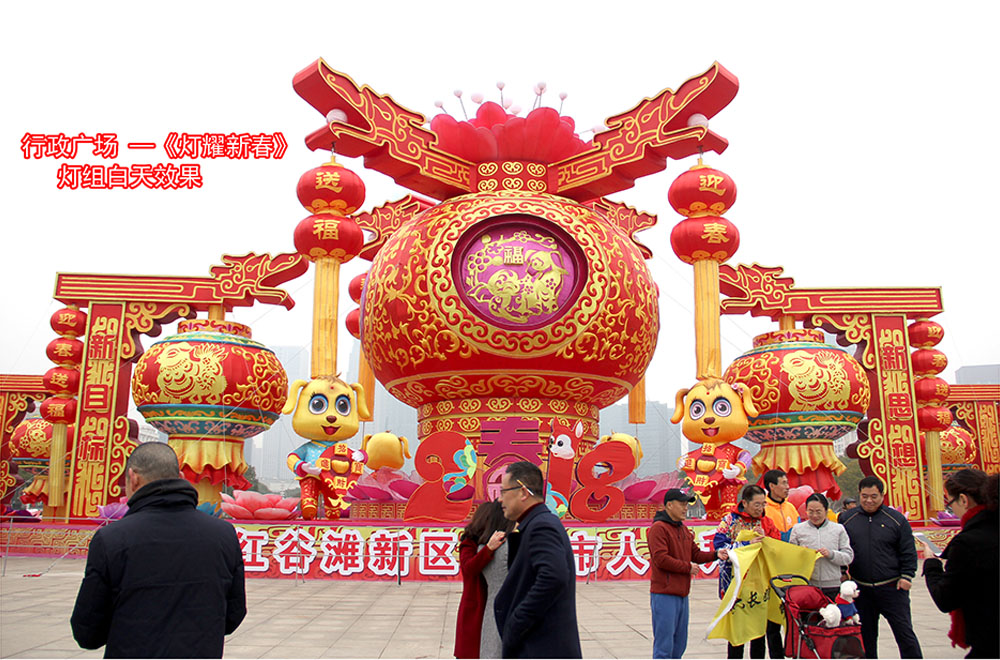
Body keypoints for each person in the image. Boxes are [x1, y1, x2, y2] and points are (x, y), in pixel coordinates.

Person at [71, 442, 246, 658]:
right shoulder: (223, 534)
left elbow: (87, 631)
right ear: (181, 476)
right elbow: (234, 614)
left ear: (133, 477)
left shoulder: (111, 538)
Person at [493, 461, 581, 658]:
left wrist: (517, 621)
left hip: (541, 647)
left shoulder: (541, 526)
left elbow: (553, 577)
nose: (500, 499)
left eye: (503, 492)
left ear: (523, 492)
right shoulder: (535, 523)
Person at [920, 469, 999, 659]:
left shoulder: (967, 543)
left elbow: (945, 599)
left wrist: (932, 565)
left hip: (989, 642)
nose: (952, 510)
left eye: (950, 503)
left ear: (963, 500)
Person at [839, 476, 921, 659]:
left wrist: (907, 576)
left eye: (874, 496)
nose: (869, 500)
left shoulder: (896, 520)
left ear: (882, 495)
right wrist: (843, 573)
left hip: (892, 588)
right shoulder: (847, 519)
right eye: (864, 496)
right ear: (859, 494)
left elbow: (908, 550)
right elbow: (841, 549)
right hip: (861, 590)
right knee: (865, 638)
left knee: (904, 634)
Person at [649, 488, 729, 658]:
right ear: (669, 505)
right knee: (664, 644)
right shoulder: (659, 528)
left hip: (682, 594)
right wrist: (687, 567)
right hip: (664, 594)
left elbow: (696, 554)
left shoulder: (683, 530)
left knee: (679, 644)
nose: (685, 508)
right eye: (682, 504)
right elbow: (661, 559)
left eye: (686, 504)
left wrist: (716, 554)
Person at [713, 484, 779, 659]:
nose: (760, 508)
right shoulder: (730, 521)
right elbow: (720, 547)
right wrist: (745, 544)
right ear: (745, 503)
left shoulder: (766, 522)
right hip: (736, 585)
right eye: (757, 504)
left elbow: (777, 548)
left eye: (763, 504)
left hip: (759, 585)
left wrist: (766, 538)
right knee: (737, 632)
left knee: (758, 632)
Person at [455, 501, 514, 659]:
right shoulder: (469, 543)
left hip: (492, 607)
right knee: (472, 652)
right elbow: (469, 568)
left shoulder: (502, 544)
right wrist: (488, 549)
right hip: (475, 608)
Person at [788, 493, 853, 600]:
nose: (814, 516)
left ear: (826, 511)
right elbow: (791, 557)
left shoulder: (838, 529)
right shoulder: (798, 529)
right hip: (808, 584)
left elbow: (848, 557)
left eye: (818, 512)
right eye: (810, 511)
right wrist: (801, 554)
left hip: (833, 585)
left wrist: (831, 554)